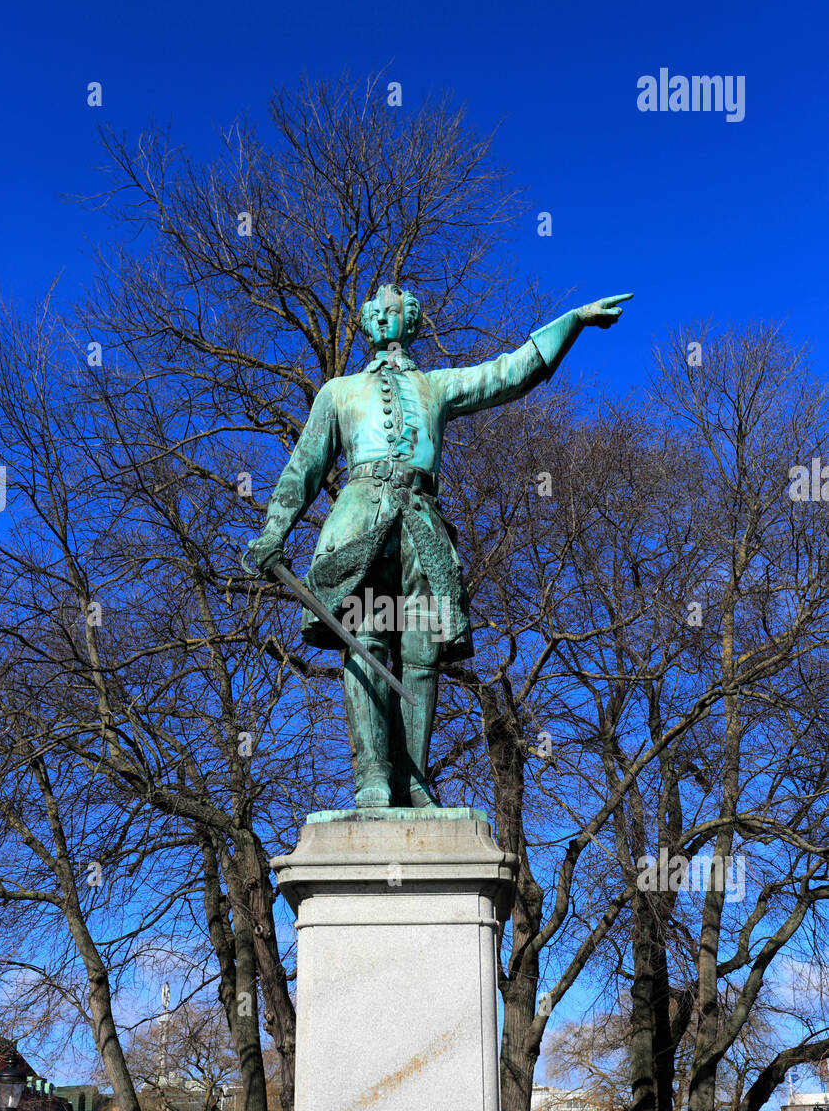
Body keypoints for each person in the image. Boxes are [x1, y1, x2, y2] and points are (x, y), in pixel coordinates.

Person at [246, 284, 632, 808]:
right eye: (377, 313)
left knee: (422, 649)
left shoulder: (437, 386)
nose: (386, 318)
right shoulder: (337, 391)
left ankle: (413, 779)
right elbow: (305, 467)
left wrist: (572, 322)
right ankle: (374, 778)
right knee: (367, 636)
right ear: (367, 323)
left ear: (412, 322)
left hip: (422, 524)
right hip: (358, 519)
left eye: (396, 311)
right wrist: (274, 529)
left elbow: (508, 374)